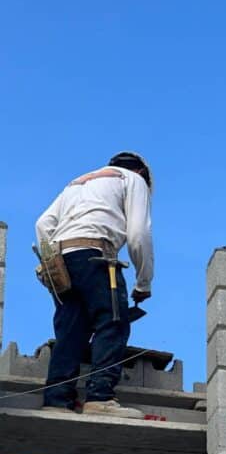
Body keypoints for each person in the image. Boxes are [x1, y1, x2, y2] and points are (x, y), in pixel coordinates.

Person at [35, 152, 154, 418]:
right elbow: (138, 235)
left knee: (72, 330)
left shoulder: (77, 183)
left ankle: (57, 399)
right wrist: (143, 282)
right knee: (112, 323)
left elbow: (43, 224)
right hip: (96, 254)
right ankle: (100, 398)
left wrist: (51, 263)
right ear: (142, 172)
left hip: (62, 259)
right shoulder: (133, 180)